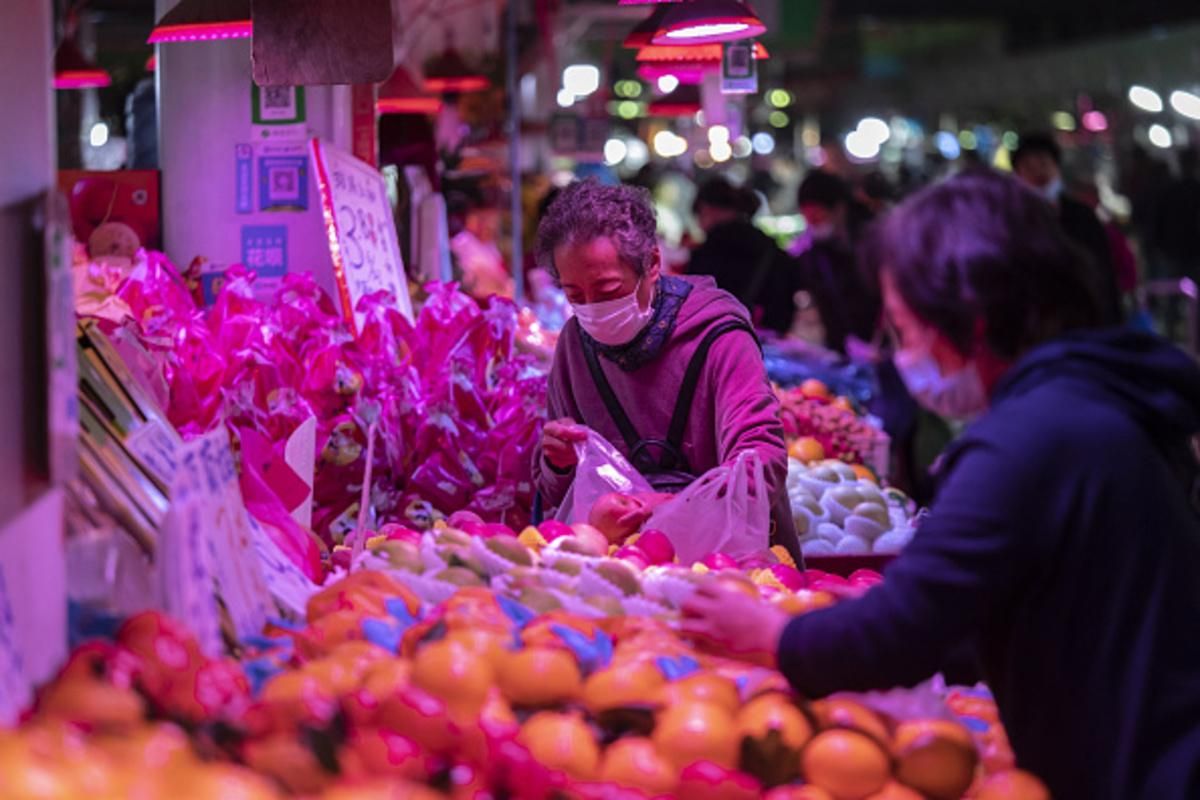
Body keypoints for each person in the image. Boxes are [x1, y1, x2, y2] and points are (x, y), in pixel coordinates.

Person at [682, 170, 1200, 800]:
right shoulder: (1093, 399)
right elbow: (995, 606)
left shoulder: (1027, 439)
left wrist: (771, 633)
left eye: (904, 327)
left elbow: (905, 631)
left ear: (971, 319)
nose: (901, 353)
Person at [532, 179, 800, 559]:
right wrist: (557, 463)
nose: (592, 308)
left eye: (608, 291)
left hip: (724, 565)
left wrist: (670, 506)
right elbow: (557, 494)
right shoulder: (575, 346)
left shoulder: (718, 336)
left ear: (653, 264)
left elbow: (763, 462)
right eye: (575, 295)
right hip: (616, 568)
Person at [1012, 132, 1123, 322]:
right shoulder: (1011, 220)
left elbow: (1104, 274)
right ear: (1018, 174)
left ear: (1057, 168)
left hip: (1082, 322)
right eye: (1029, 167)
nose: (1038, 173)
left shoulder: (1082, 216)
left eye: (1044, 164)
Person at [687, 177, 796, 335]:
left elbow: (695, 301)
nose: (699, 225)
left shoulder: (712, 247)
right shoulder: (769, 247)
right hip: (765, 337)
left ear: (706, 209)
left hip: (720, 337)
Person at [789, 170, 881, 354]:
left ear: (839, 208)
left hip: (881, 349)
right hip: (846, 353)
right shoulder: (815, 252)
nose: (813, 225)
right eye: (808, 219)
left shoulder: (875, 242)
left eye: (818, 217)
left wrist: (880, 345)